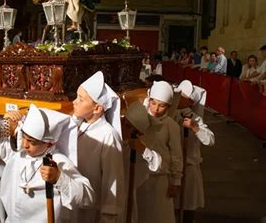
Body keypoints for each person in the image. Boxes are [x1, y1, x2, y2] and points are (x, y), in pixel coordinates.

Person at [0, 104, 95, 222]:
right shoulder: (17, 153)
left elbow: (87, 199)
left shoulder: (58, 162)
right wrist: (6, 126)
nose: (25, 145)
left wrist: (59, 178)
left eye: (32, 142)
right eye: (23, 137)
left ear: (49, 144)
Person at [71, 71, 125, 222]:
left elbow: (112, 179)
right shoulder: (77, 125)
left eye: (80, 99)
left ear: (97, 108)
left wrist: (109, 214)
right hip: (74, 200)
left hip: (93, 208)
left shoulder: (108, 135)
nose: (74, 102)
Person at [137, 81, 183, 223]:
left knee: (159, 216)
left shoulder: (171, 125)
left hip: (160, 179)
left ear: (168, 106)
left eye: (162, 105)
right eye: (153, 103)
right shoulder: (139, 119)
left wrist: (175, 180)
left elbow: (176, 155)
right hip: (140, 177)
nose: (156, 109)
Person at [173, 80, 215, 223]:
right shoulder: (170, 113)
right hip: (171, 167)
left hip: (188, 168)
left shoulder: (195, 118)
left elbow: (210, 139)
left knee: (188, 206)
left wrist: (195, 127)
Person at [123, 101, 163, 223]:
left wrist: (142, 149)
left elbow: (157, 164)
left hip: (126, 197)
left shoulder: (137, 146)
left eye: (129, 127)